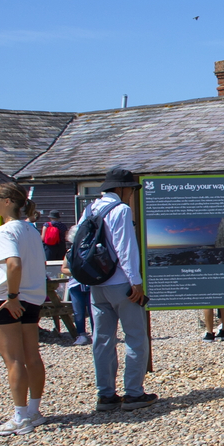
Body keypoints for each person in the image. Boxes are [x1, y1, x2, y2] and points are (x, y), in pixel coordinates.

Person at [79, 167, 157, 410]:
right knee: (135, 336)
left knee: (102, 339)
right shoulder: (121, 210)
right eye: (131, 190)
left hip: (97, 282)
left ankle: (106, 395)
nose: (132, 194)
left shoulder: (90, 208)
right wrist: (136, 282)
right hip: (121, 283)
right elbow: (126, 248)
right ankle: (133, 393)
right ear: (122, 189)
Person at [0, 183, 49, 435]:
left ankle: (20, 416)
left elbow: (14, 264)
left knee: (13, 360)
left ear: (8, 201)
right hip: (32, 298)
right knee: (32, 356)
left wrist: (11, 296)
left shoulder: (4, 230)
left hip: (8, 298)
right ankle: (33, 410)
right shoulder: (31, 229)